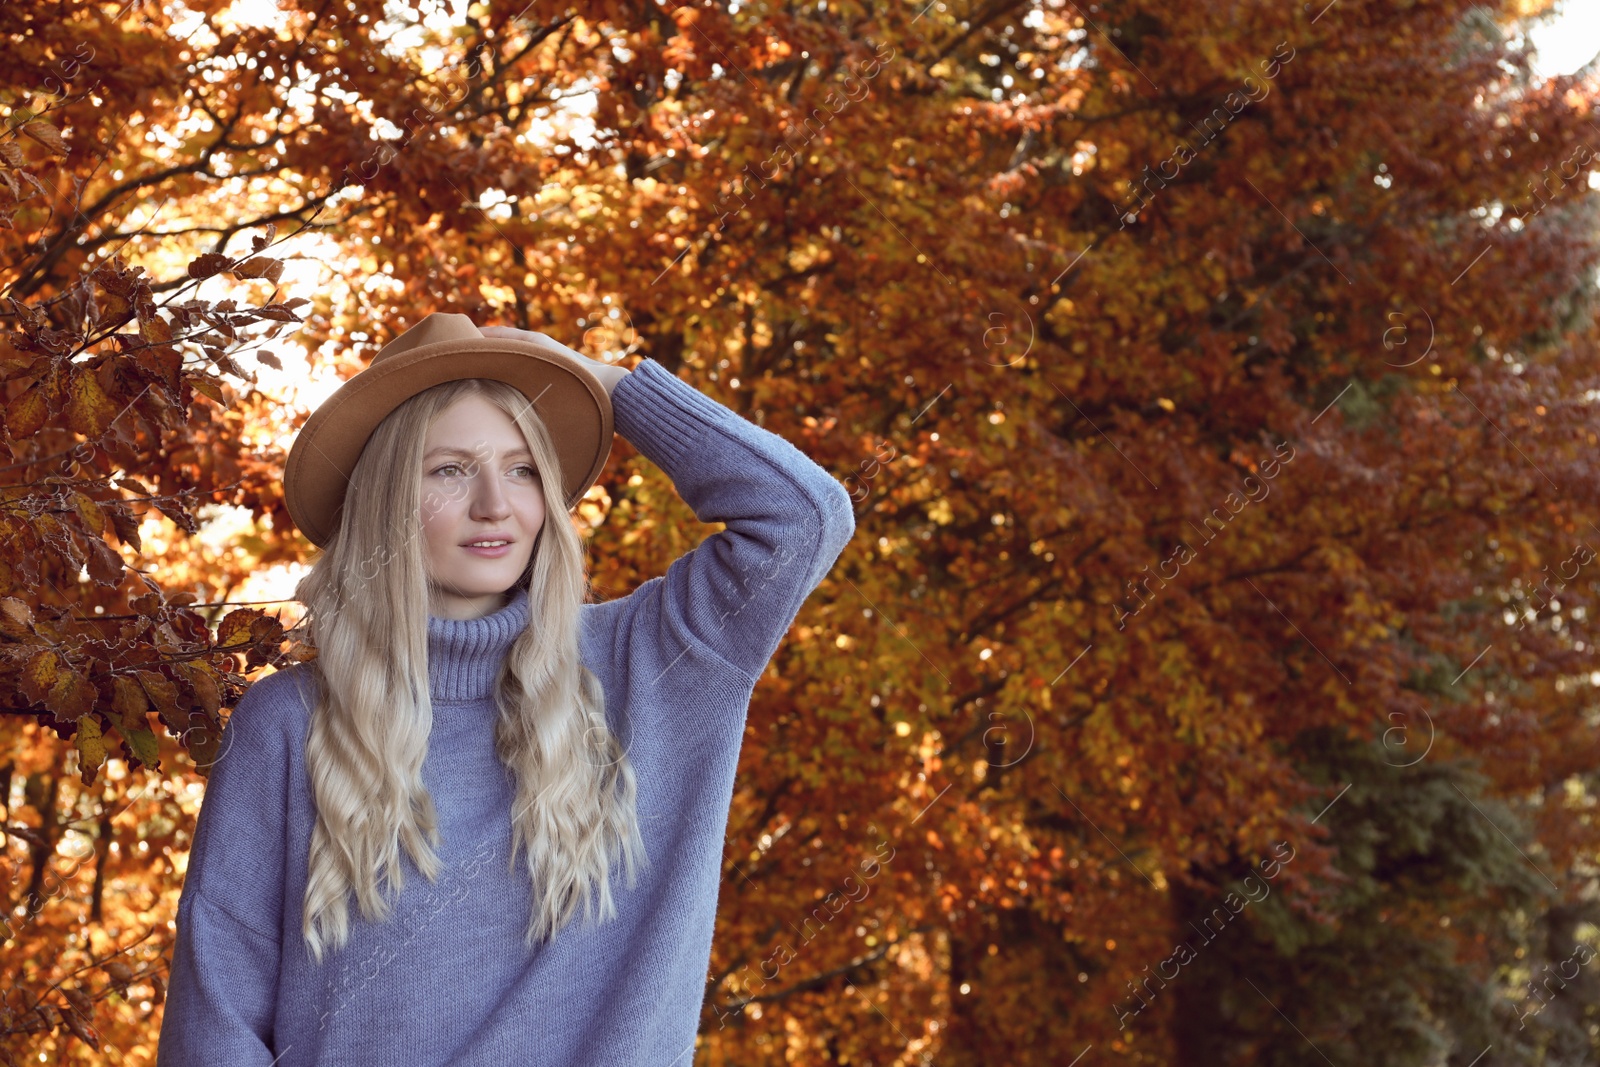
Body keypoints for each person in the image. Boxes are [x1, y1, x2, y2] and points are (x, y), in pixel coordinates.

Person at [155, 313, 856, 1066]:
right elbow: (216, 1023)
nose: (496, 502)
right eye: (450, 469)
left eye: (522, 468)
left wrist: (609, 383)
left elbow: (803, 517)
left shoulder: (655, 663)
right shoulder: (287, 724)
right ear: (388, 498)